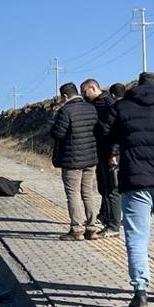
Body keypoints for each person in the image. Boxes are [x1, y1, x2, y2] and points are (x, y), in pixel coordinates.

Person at [103, 72, 154, 307]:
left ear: (138, 85)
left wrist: (116, 151)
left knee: (136, 238)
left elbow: (104, 133)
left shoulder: (122, 106)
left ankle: (140, 293)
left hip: (135, 180)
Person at [50, 82, 100, 241]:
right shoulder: (91, 108)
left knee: (73, 193)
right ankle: (92, 228)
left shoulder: (65, 111)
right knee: (88, 193)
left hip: (71, 160)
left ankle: (77, 229)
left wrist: (53, 119)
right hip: (90, 158)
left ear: (65, 96)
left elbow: (58, 133)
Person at [81, 79, 121, 238]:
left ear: (93, 88)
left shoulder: (108, 104)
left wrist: (113, 153)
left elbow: (115, 131)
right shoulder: (97, 103)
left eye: (85, 91)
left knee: (112, 189)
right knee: (103, 188)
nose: (83, 95)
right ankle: (105, 216)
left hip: (110, 153)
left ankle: (114, 225)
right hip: (101, 152)